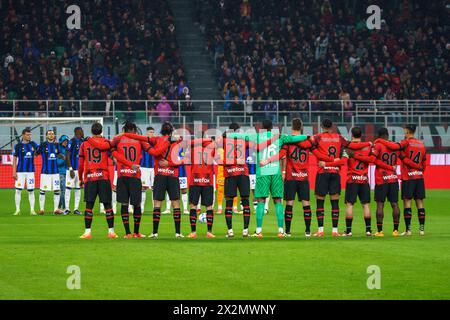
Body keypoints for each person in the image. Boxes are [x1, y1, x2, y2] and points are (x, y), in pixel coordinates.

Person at [87, 121, 169, 238]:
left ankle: (127, 233)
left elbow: (105, 148)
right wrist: (167, 143)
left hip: (122, 176)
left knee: (124, 204)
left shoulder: (118, 138)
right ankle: (136, 232)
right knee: (137, 205)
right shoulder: (140, 140)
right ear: (134, 130)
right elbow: (154, 152)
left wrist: (89, 140)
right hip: (135, 176)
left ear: (124, 129)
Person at [229, 119, 308, 238]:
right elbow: (294, 139)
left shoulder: (257, 137)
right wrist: (306, 136)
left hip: (263, 173)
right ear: (272, 127)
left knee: (260, 200)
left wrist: (229, 134)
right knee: (277, 201)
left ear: (262, 127)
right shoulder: (279, 137)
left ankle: (259, 231)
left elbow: (242, 136)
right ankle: (281, 230)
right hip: (275, 173)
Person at [261, 118, 332, 237]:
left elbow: (281, 155)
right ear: (301, 127)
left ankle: (288, 231)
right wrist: (331, 159)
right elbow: (318, 154)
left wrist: (268, 160)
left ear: (291, 127)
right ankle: (308, 230)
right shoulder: (308, 142)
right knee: (306, 203)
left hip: (291, 177)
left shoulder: (288, 141)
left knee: (289, 202)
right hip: (304, 177)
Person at [310, 119, 371, 237]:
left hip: (323, 172)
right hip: (335, 172)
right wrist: (368, 143)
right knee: (335, 202)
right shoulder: (339, 137)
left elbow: (310, 146)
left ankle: (320, 230)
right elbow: (352, 145)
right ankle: (335, 231)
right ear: (332, 126)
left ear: (321, 126)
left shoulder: (318, 137)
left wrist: (325, 160)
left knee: (320, 202)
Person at [122, 122, 181, 238]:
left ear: (161, 131)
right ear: (172, 131)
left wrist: (127, 135)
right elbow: (182, 160)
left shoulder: (156, 140)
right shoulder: (177, 142)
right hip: (173, 175)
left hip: (160, 175)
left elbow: (140, 137)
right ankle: (178, 233)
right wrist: (170, 163)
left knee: (157, 203)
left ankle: (155, 232)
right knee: (176, 203)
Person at [335, 127, 392, 236]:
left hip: (352, 179)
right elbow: (372, 160)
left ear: (352, 134)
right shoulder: (368, 147)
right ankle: (368, 230)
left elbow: (343, 161)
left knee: (349, 204)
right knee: (365, 205)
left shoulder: (348, 148)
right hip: (364, 179)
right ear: (361, 135)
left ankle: (349, 230)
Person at [375, 124, 427, 236]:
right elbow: (424, 162)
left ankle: (408, 230)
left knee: (407, 202)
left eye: (404, 130)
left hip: (408, 177)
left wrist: (380, 140)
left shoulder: (405, 142)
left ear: (408, 131)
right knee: (420, 202)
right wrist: (419, 169)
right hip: (419, 177)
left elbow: (394, 148)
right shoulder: (421, 144)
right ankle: (421, 229)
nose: (404, 132)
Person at [78, 123, 119, 239]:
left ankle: (87, 232)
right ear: (101, 131)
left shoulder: (84, 144)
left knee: (89, 205)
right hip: (103, 177)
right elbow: (114, 156)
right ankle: (111, 231)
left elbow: (80, 164)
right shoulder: (106, 142)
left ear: (91, 131)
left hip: (90, 177)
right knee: (107, 205)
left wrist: (80, 178)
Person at [371, 128, 401, 237]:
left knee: (380, 204)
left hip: (381, 178)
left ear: (379, 136)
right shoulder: (395, 146)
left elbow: (373, 160)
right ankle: (395, 230)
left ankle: (380, 231)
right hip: (393, 178)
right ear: (388, 135)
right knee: (394, 204)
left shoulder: (378, 145)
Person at [36, 130, 65, 215]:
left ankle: (56, 209)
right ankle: (41, 209)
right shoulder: (42, 145)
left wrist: (64, 158)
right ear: (46, 136)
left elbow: (59, 154)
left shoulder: (57, 145)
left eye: (52, 134)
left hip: (55, 172)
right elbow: (36, 153)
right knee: (43, 190)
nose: (51, 135)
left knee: (56, 190)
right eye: (49, 134)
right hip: (45, 172)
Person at [12, 128, 39, 216]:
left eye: (30, 134)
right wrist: (14, 172)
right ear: (23, 135)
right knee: (18, 191)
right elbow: (15, 159)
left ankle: (32, 210)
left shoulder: (33, 144)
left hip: (30, 171)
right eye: (28, 135)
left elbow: (39, 151)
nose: (29, 136)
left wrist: (35, 154)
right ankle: (17, 209)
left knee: (31, 191)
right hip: (20, 171)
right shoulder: (18, 146)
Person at [64, 127, 84, 215]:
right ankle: (67, 209)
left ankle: (76, 209)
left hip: (80, 170)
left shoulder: (83, 142)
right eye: (81, 131)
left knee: (78, 189)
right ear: (77, 132)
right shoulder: (71, 141)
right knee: (68, 189)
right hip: (71, 170)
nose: (83, 132)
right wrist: (70, 168)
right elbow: (67, 155)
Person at [140, 127, 155, 212]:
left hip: (153, 168)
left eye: (153, 132)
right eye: (150, 132)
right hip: (144, 167)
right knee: (143, 187)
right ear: (147, 133)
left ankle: (155, 208)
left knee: (154, 187)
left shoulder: (156, 142)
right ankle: (141, 208)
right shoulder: (142, 142)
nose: (152, 134)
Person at [57, 135, 69, 213]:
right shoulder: (58, 150)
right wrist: (65, 159)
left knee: (64, 190)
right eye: (64, 141)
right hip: (61, 172)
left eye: (67, 141)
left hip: (67, 172)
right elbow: (58, 162)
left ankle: (58, 207)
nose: (66, 142)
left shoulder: (67, 149)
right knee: (63, 191)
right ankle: (64, 207)